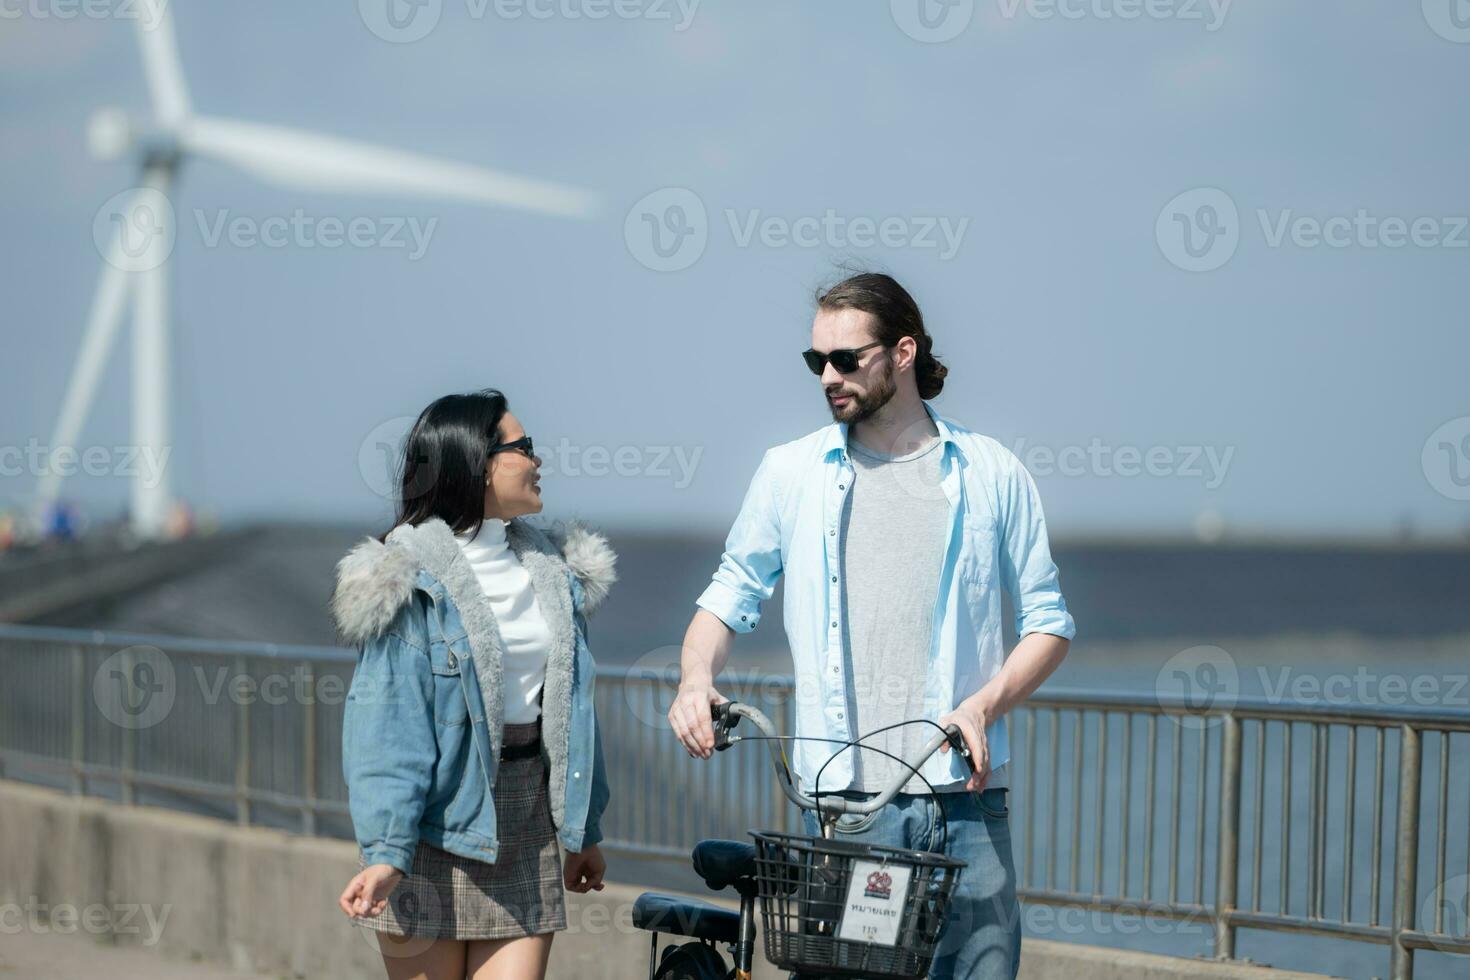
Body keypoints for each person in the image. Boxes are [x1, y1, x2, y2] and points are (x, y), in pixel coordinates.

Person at [668, 273, 1076, 980]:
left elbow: (1049, 624)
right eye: (815, 361)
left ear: (903, 352)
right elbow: (729, 593)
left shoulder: (991, 472)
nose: (828, 376)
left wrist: (983, 705)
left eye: (846, 358)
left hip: (969, 808)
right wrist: (694, 678)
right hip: (848, 817)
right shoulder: (791, 472)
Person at [333, 389, 614, 980]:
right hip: (431, 829)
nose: (539, 461)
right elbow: (387, 730)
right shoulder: (409, 579)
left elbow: (573, 713)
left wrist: (582, 830)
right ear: (476, 463)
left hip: (527, 820)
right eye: (524, 448)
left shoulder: (553, 573)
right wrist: (387, 854)